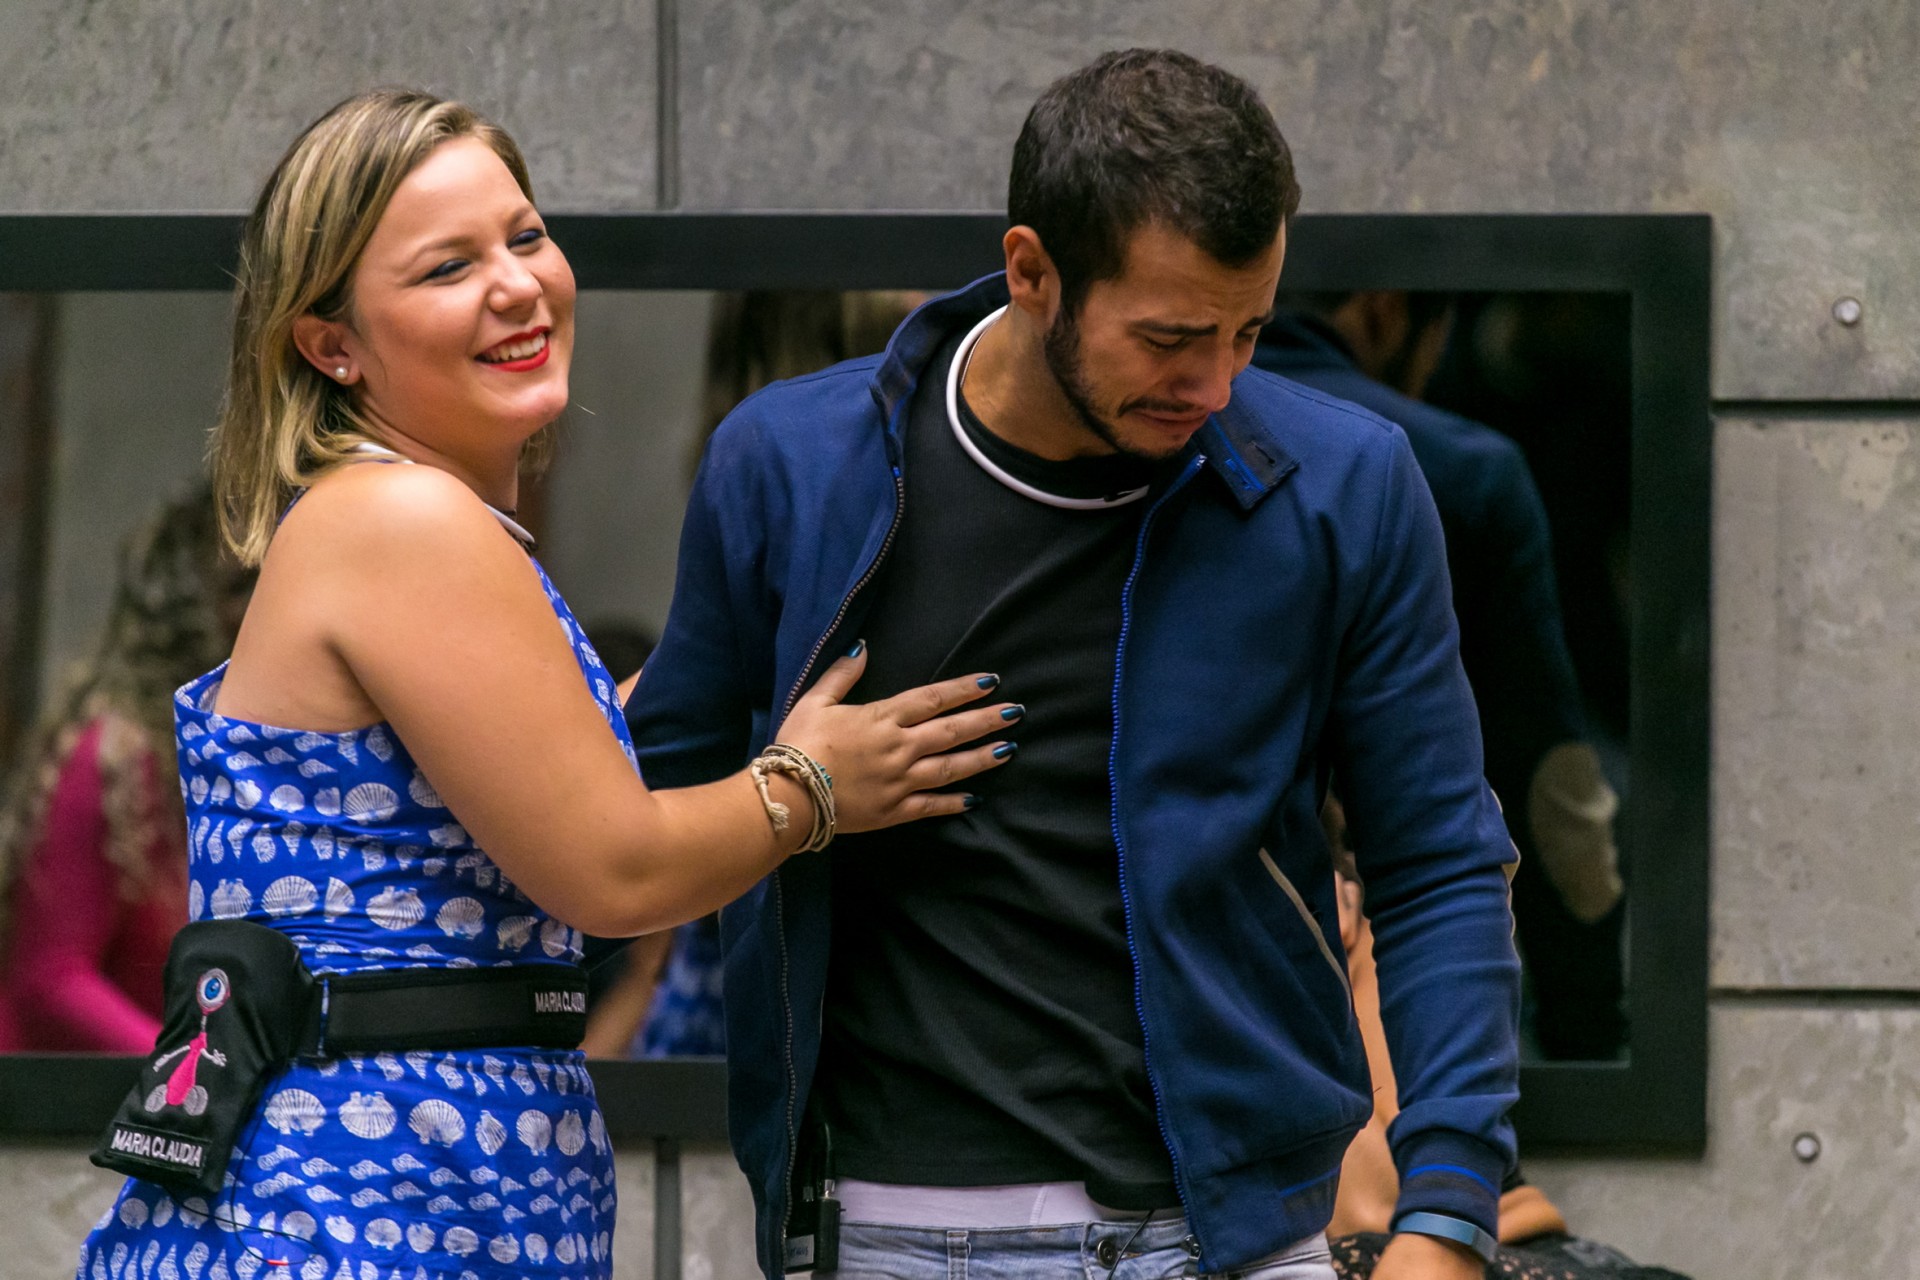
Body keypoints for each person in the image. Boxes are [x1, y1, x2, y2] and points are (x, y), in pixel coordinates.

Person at [76, 89, 1017, 1280]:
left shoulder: (407, 519)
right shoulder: (404, 518)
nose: (516, 284)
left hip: (418, 1194)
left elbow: (454, 828)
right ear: (331, 342)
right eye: (445, 268)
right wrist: (812, 784)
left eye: (524, 236)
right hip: (359, 1210)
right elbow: (611, 868)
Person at [627, 49, 1520, 1280]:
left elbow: (1438, 865)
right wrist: (796, 792)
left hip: (1228, 1237)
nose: (1214, 384)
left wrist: (1450, 1211)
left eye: (1249, 332)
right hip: (881, 1226)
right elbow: (635, 827)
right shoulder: (793, 466)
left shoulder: (1345, 487)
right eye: (1170, 338)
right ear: (1032, 270)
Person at [1254, 295, 1626, 1059]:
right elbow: (1549, 789)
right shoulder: (1459, 471)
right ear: (1389, 315)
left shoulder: (1152, 435)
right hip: (1404, 988)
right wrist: (1588, 1037)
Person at [0, 490, 250, 1052]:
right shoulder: (113, 756)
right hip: (51, 1115)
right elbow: (50, 980)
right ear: (185, 610)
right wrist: (191, 1074)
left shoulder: (219, 757)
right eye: (240, 588)